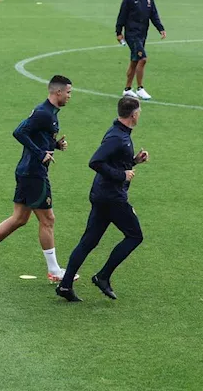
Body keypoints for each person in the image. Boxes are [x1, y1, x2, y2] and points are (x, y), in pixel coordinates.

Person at [0, 75, 73, 282]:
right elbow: (19, 132)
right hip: (34, 173)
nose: (70, 96)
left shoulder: (49, 113)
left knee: (19, 218)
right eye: (69, 92)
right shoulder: (44, 112)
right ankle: (54, 271)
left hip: (27, 171)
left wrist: (54, 146)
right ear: (58, 92)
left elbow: (37, 136)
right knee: (48, 219)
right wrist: (40, 153)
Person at [56, 97, 147, 302]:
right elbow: (95, 162)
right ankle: (103, 276)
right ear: (133, 115)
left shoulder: (119, 132)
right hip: (112, 197)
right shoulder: (118, 137)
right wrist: (121, 175)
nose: (140, 115)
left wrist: (134, 162)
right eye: (139, 112)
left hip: (102, 194)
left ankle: (65, 285)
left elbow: (115, 162)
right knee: (134, 236)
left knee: (89, 241)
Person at [116, 0, 165, 100]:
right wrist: (119, 32)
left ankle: (127, 89)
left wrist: (160, 28)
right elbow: (122, 15)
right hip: (132, 34)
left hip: (143, 34)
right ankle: (140, 88)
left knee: (134, 61)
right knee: (142, 59)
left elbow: (153, 14)